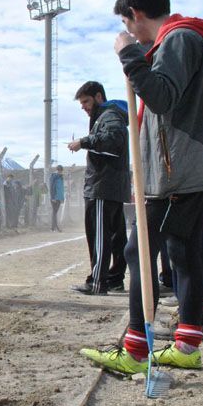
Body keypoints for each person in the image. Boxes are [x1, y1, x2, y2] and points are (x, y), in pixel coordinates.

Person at [80, 0, 203, 374]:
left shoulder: (179, 40)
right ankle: (186, 344)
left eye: (129, 25)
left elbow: (162, 97)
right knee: (184, 253)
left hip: (184, 174)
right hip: (191, 170)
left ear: (135, 15)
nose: (130, 33)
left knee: (137, 251)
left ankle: (134, 351)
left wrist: (129, 54)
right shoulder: (177, 42)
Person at [68, 81, 130, 295]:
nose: (84, 107)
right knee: (116, 237)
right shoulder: (110, 116)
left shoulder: (109, 116)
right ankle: (114, 279)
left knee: (100, 236)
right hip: (109, 186)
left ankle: (98, 282)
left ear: (98, 97)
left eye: (86, 101)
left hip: (103, 186)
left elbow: (114, 142)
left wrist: (83, 142)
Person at [49, 165, 65, 232]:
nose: (60, 172)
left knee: (55, 212)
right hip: (54, 197)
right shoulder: (54, 177)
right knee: (54, 212)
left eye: (60, 171)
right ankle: (54, 227)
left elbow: (61, 189)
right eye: (59, 171)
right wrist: (53, 197)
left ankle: (54, 227)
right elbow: (52, 187)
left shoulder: (60, 177)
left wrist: (62, 198)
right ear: (57, 170)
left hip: (58, 197)